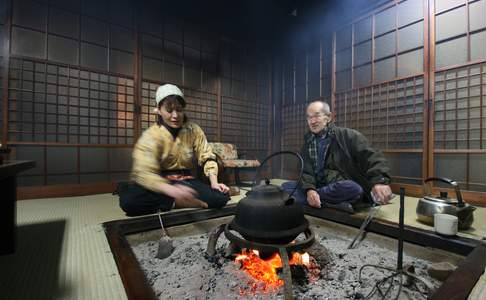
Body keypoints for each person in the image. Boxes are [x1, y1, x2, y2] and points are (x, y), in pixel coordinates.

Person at [118, 84, 230, 216]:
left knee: (221, 197)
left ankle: (175, 201)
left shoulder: (193, 130)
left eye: (179, 109)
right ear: (159, 110)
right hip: (162, 182)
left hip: (186, 180)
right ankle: (179, 202)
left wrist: (214, 183)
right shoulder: (151, 135)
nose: (175, 115)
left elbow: (207, 156)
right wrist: (172, 190)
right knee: (128, 201)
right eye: (169, 110)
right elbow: (144, 172)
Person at [282, 101, 393, 212]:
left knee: (353, 188)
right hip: (318, 186)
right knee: (285, 187)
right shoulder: (308, 142)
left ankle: (316, 200)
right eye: (309, 118)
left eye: (316, 116)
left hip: (338, 186)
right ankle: (331, 203)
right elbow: (305, 172)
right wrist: (310, 190)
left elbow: (372, 156)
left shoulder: (348, 136)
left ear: (329, 117)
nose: (312, 121)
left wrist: (379, 181)